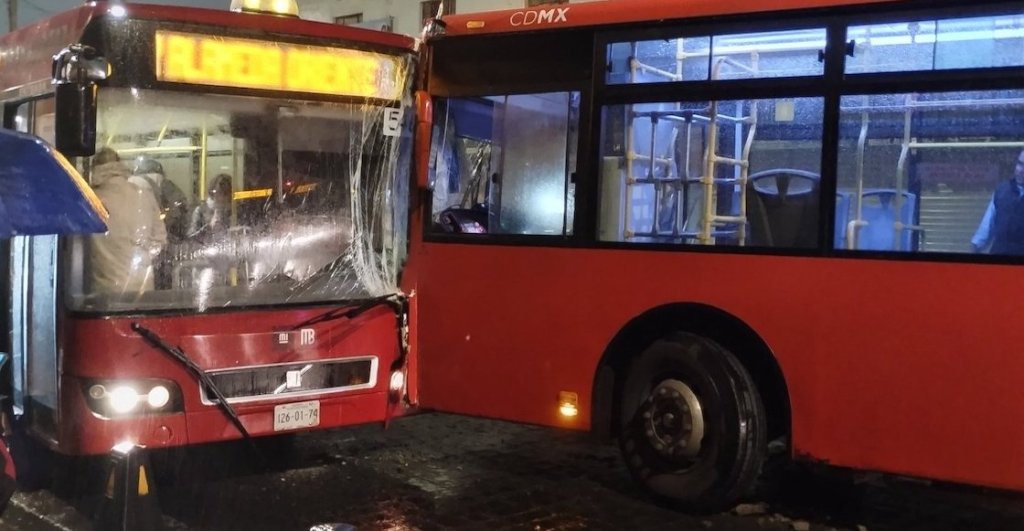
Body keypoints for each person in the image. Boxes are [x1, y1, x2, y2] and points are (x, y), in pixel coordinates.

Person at [87, 148, 168, 294]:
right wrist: (142, 259)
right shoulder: (144, 195)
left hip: (105, 289)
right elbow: (160, 239)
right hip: (143, 286)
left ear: (94, 170)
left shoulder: (91, 201)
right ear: (120, 165)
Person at [971, 149, 1024, 255]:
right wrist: (976, 245)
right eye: (1020, 164)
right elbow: (988, 223)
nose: (1021, 170)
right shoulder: (1002, 190)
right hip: (999, 257)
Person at [129, 158, 190, 241]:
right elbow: (179, 209)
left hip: (133, 236)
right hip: (161, 236)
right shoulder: (165, 184)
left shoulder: (127, 183)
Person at [188, 173, 233, 242]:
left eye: (225, 194)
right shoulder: (201, 211)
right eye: (218, 193)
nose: (222, 198)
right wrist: (209, 227)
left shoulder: (233, 210)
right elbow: (191, 238)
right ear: (212, 193)